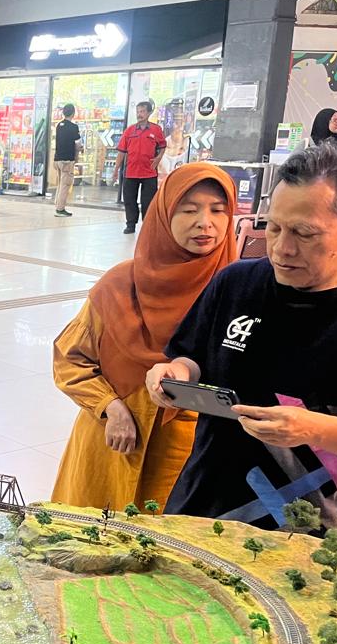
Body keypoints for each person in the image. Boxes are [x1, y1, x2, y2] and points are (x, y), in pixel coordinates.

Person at [145, 143, 337, 538]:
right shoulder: (235, 282)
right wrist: (174, 371)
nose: (282, 249)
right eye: (274, 227)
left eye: (304, 233)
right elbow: (192, 354)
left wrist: (313, 429)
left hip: (306, 529)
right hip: (200, 507)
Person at [52, 163, 237, 511]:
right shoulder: (121, 284)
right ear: (164, 215)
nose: (205, 223)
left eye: (218, 210)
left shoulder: (240, 290)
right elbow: (70, 358)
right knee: (92, 541)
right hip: (111, 442)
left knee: (168, 547)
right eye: (189, 210)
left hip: (191, 450)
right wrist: (110, 407)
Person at [117, 100, 167, 234]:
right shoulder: (129, 131)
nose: (140, 114)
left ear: (149, 113)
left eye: (143, 111)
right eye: (138, 112)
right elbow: (122, 151)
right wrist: (116, 169)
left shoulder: (156, 130)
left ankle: (148, 226)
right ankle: (130, 224)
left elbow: (162, 146)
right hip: (131, 172)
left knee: (148, 202)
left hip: (149, 172)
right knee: (129, 200)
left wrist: (158, 158)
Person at [52, 103, 80, 218]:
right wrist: (77, 154)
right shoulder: (74, 127)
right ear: (73, 113)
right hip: (67, 160)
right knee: (65, 185)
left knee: (60, 184)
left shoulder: (59, 125)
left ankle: (57, 204)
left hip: (58, 159)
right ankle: (60, 209)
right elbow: (78, 144)